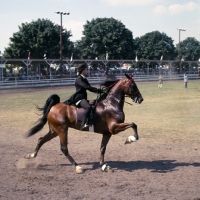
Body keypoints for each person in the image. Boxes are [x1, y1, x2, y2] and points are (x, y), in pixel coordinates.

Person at [67, 64, 101, 130]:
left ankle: (92, 123)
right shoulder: (79, 79)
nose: (87, 70)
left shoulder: (84, 78)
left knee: (95, 103)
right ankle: (83, 124)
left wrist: (99, 91)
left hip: (84, 98)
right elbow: (86, 87)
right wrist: (96, 90)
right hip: (79, 99)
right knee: (88, 107)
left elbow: (90, 87)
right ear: (82, 70)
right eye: (86, 69)